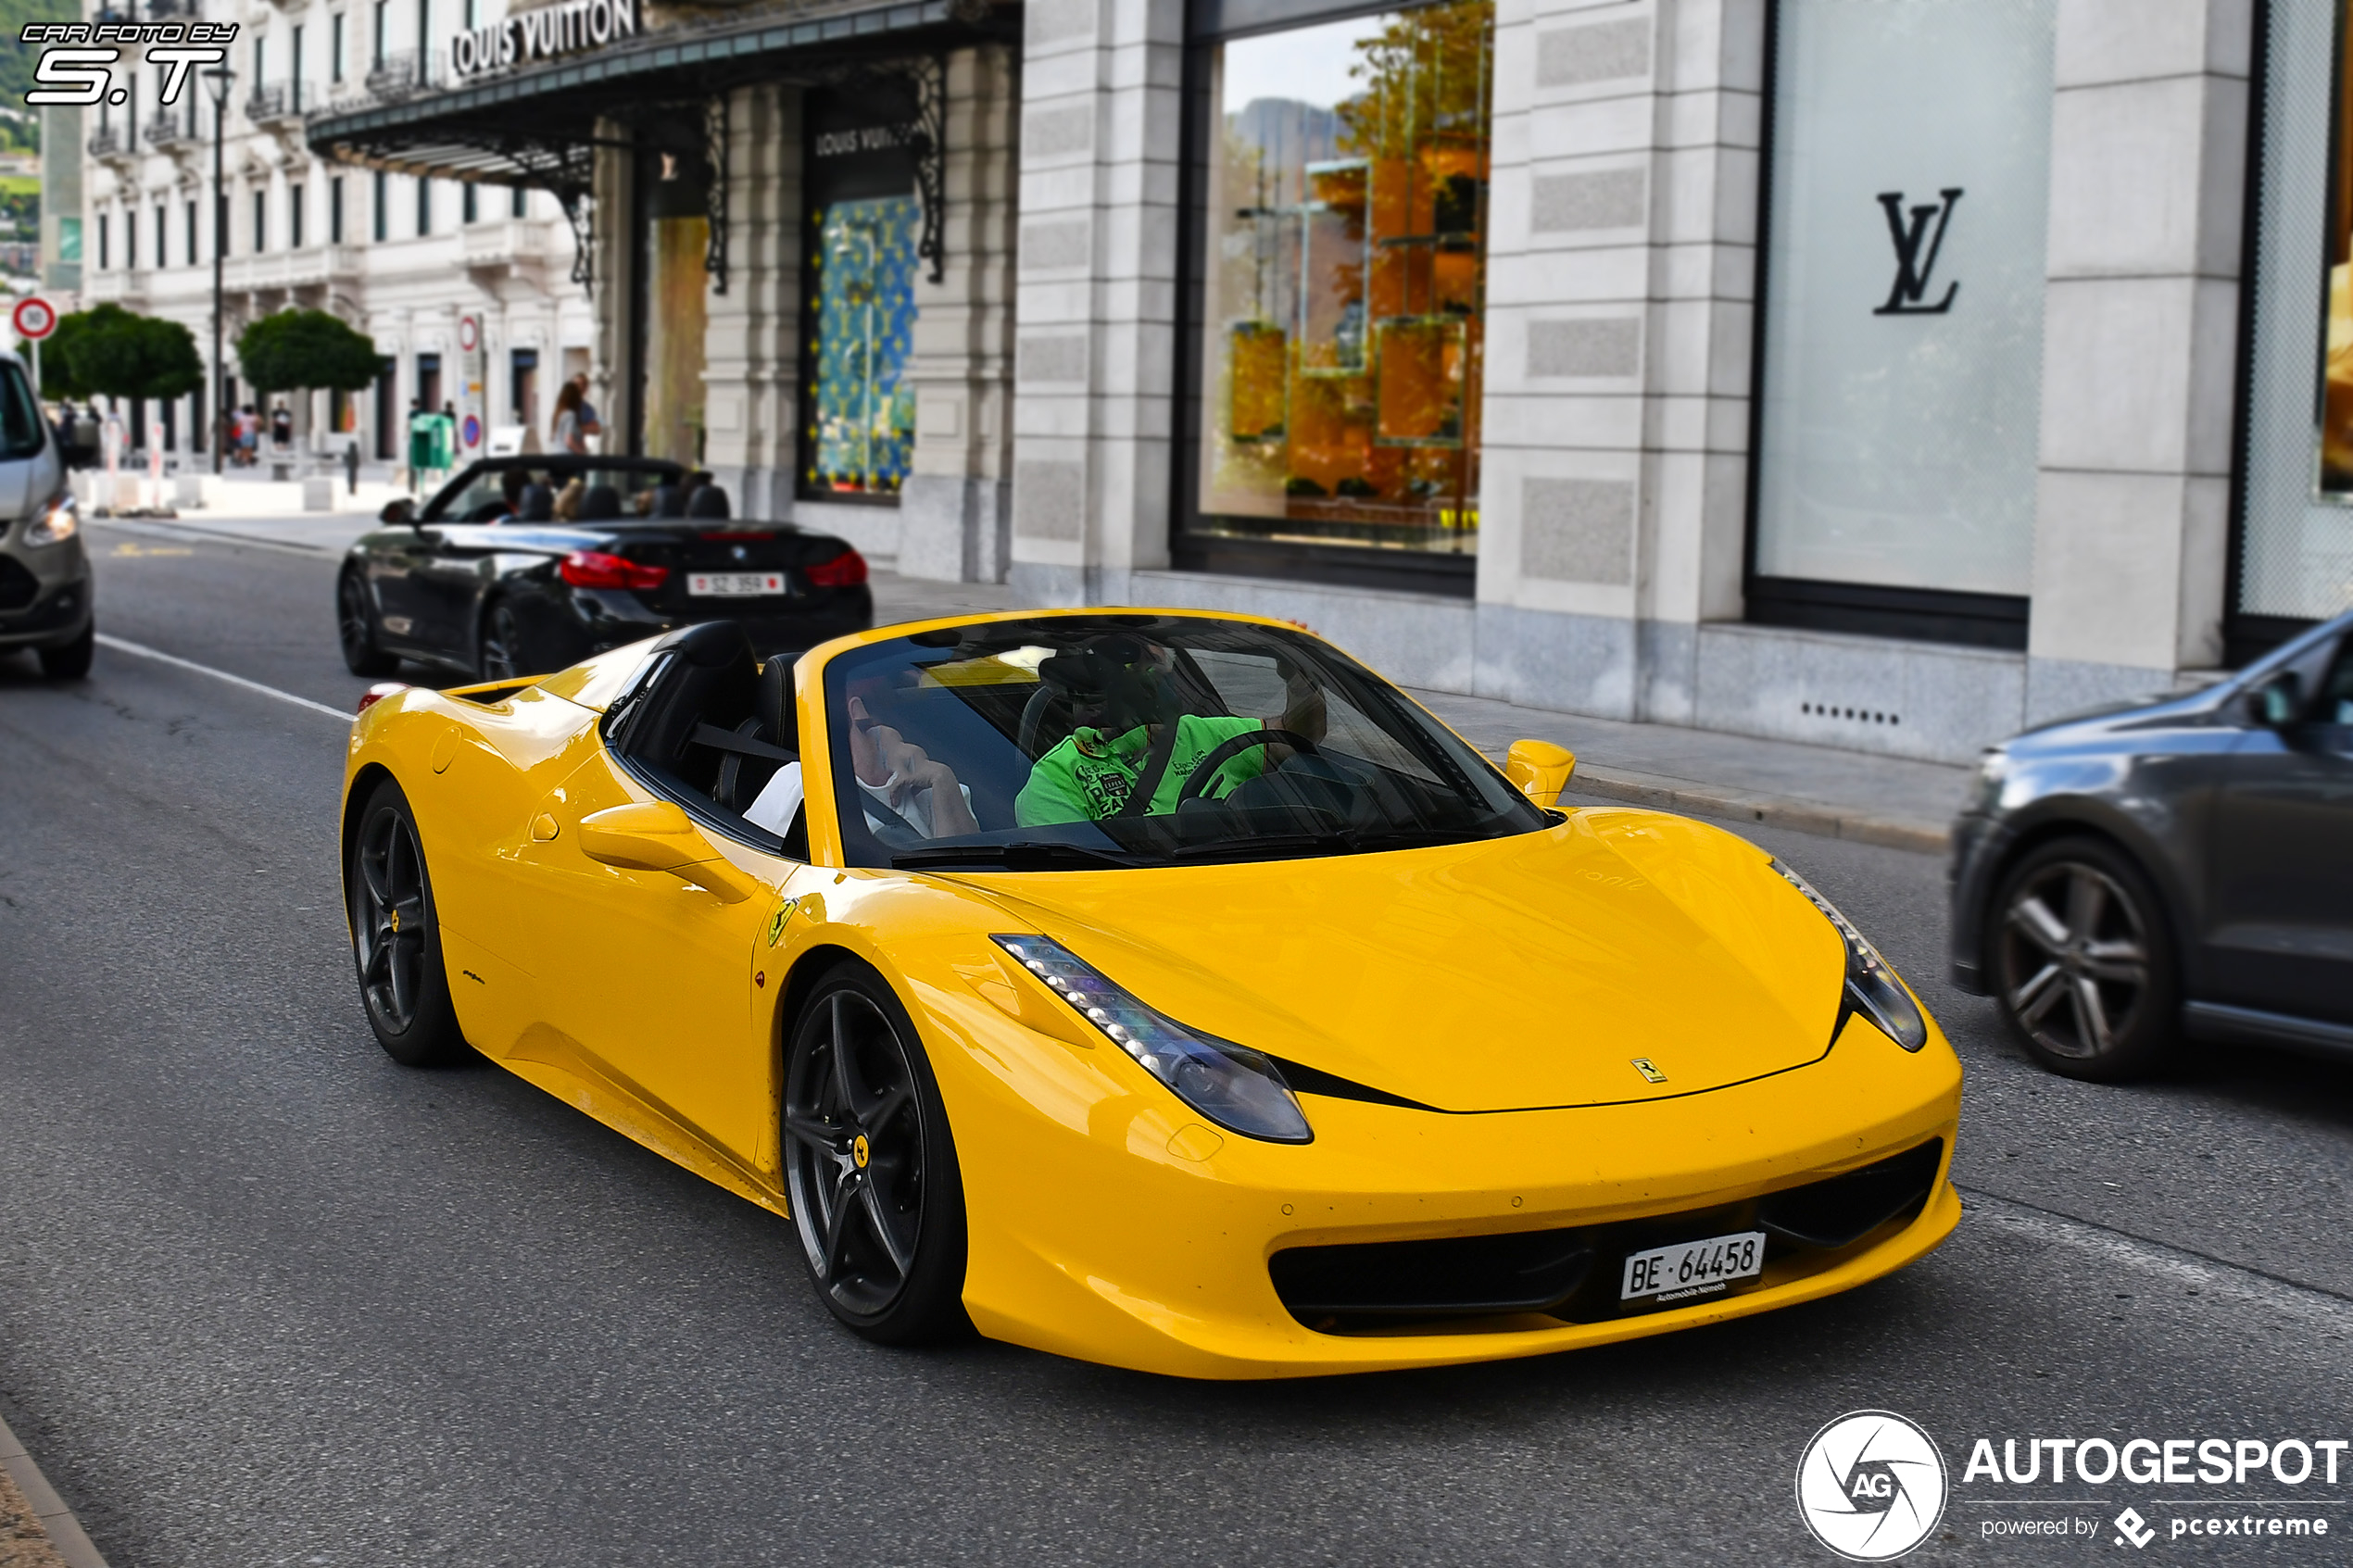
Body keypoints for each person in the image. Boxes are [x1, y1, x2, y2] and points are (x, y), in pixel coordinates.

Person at [1014, 633, 1326, 826]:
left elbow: (1298, 734)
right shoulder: (1055, 778)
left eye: (1154, 665)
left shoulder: (1202, 733)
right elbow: (1076, 884)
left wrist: (1296, 674)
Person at [550, 381, 589, 456]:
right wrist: (581, 454)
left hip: (556, 456)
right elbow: (569, 441)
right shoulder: (570, 415)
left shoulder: (558, 414)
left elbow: (553, 438)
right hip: (568, 459)